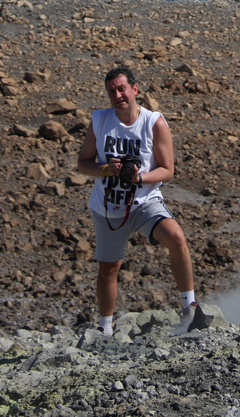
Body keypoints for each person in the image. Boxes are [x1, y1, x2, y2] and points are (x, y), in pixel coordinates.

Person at [77, 65, 196, 336]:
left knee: (176, 237)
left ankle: (189, 306)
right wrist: (107, 169)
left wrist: (139, 178)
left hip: (145, 202)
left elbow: (167, 169)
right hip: (109, 207)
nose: (118, 95)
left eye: (122, 89)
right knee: (109, 267)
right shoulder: (100, 120)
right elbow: (83, 164)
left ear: (135, 89)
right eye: (112, 91)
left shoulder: (154, 122)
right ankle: (105, 327)